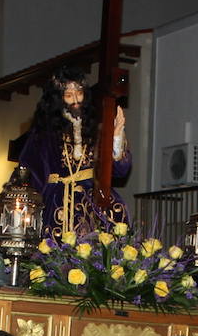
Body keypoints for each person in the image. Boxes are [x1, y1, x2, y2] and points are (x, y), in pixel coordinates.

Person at [17, 64, 131, 236]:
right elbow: (29, 169)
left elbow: (121, 171)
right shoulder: (44, 133)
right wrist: (17, 199)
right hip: (58, 204)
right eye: (69, 95)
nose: (76, 100)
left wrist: (115, 138)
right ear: (58, 98)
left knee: (113, 223)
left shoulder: (96, 129)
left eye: (79, 93)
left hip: (92, 200)